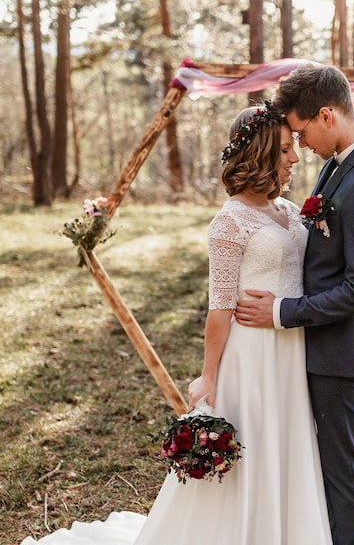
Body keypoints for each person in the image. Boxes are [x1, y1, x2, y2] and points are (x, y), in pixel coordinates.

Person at [20, 102, 332, 545]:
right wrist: (209, 376)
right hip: (252, 356)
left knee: (286, 449)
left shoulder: (289, 210)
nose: (294, 158)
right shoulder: (229, 222)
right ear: (260, 153)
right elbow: (219, 307)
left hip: (291, 348)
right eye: (283, 150)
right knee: (253, 451)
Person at [235, 63, 354, 545]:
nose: (299, 145)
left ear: (326, 115)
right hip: (313, 342)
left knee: (341, 469)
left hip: (336, 349)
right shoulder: (340, 161)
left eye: (301, 131)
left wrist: (282, 312)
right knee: (317, 463)